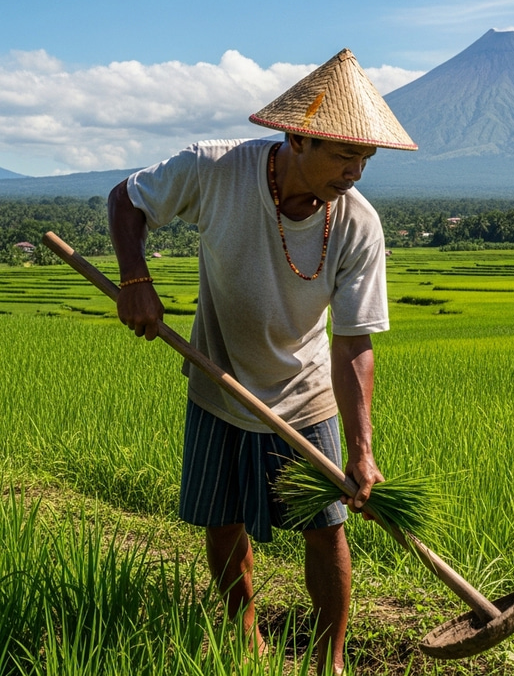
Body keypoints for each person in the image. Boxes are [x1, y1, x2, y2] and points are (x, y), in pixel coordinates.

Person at [107, 49, 417, 674]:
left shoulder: (359, 224)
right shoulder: (214, 169)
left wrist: (361, 451)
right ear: (296, 136)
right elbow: (126, 198)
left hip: (306, 396)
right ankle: (243, 637)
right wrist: (135, 277)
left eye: (365, 158)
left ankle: (329, 660)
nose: (355, 172)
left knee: (326, 528)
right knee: (221, 521)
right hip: (217, 384)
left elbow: (354, 343)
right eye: (343, 155)